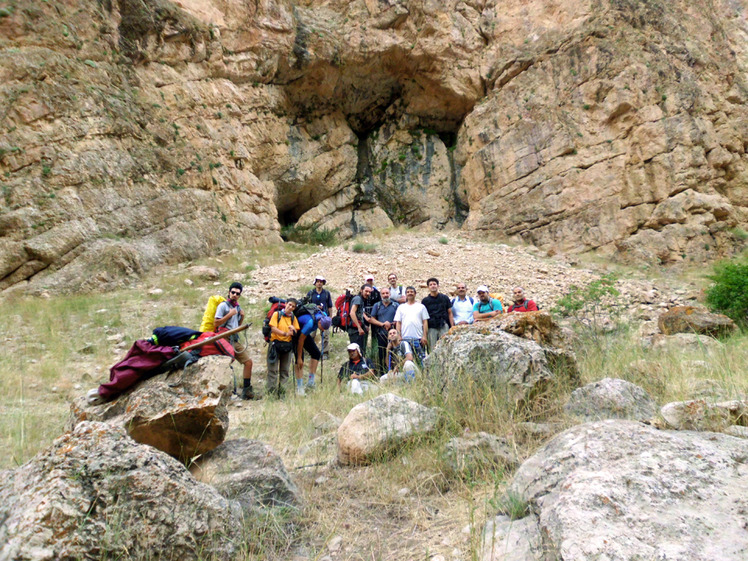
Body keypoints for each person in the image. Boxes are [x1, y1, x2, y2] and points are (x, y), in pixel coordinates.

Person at [214, 282, 255, 399]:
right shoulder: (223, 306)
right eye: (233, 292)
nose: (235, 295)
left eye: (237, 293)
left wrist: (241, 317)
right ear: (229, 292)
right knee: (226, 364)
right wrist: (229, 314)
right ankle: (223, 392)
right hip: (224, 338)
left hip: (234, 339)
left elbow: (236, 325)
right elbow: (216, 323)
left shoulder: (237, 307)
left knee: (248, 362)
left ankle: (246, 391)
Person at [267, 298, 300, 398]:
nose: (290, 307)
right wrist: (286, 333)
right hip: (275, 344)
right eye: (289, 305)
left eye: (293, 306)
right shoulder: (277, 315)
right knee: (273, 370)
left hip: (287, 346)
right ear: (285, 304)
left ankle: (282, 394)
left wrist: (293, 331)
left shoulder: (293, 318)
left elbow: (296, 332)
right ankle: (271, 394)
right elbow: (273, 328)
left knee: (285, 370)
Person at [294, 311, 332, 395]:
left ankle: (311, 382)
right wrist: (299, 357)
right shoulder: (310, 323)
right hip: (297, 332)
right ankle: (300, 388)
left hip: (305, 333)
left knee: (316, 353)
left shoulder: (324, 316)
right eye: (322, 328)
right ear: (319, 322)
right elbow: (301, 339)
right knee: (300, 360)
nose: (322, 330)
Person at [366, 286, 399, 376]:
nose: (385, 295)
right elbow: (372, 319)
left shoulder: (396, 305)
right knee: (382, 354)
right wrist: (383, 324)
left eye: (387, 293)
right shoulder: (377, 305)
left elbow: (400, 319)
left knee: (394, 354)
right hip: (381, 334)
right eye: (383, 293)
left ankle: (395, 372)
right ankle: (382, 373)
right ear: (380, 295)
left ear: (390, 294)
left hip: (393, 335)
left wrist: (391, 324)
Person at [394, 286, 429, 363]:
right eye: (408, 292)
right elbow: (398, 323)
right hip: (405, 338)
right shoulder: (401, 307)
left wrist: (424, 336)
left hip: (418, 338)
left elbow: (425, 322)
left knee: (421, 361)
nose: (410, 293)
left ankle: (422, 374)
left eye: (411, 292)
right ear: (406, 294)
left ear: (415, 294)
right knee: (407, 360)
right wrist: (399, 335)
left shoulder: (421, 307)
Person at [421, 277, 454, 350]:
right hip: (431, 327)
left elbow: (450, 313)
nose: (433, 286)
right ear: (428, 287)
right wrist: (425, 334)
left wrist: (452, 327)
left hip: (443, 325)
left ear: (438, 286)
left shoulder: (445, 298)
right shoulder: (425, 301)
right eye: (431, 284)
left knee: (446, 347)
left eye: (434, 284)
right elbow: (424, 318)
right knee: (432, 349)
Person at [306, 275, 333, 358]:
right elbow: (306, 305)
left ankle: (325, 352)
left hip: (324, 317)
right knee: (311, 335)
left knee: (325, 335)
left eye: (321, 282)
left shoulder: (326, 293)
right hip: (312, 317)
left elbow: (330, 306)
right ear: (315, 283)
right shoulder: (310, 293)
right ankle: (310, 351)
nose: (319, 283)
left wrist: (330, 317)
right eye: (318, 282)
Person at [348, 284, 372, 355]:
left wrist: (364, 326)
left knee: (360, 351)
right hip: (354, 330)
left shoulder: (361, 300)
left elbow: (359, 315)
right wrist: (359, 327)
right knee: (356, 352)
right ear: (361, 290)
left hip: (356, 329)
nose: (368, 293)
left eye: (369, 292)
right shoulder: (358, 299)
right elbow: (352, 313)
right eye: (366, 291)